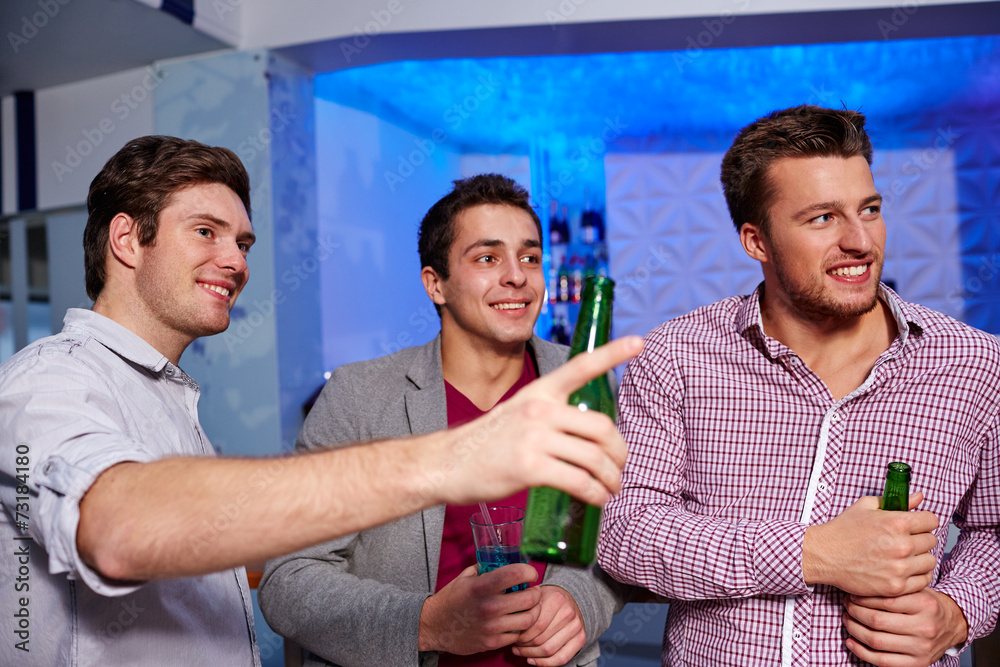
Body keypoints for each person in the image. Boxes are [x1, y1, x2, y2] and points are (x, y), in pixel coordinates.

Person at [0, 137, 642, 666]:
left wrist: (578, 602)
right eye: (206, 232)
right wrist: (450, 471)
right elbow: (120, 529)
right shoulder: (48, 382)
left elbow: (629, 537)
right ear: (126, 240)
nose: (235, 261)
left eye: (243, 243)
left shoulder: (165, 394)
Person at [598, 105, 999, 666]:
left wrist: (958, 612)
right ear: (756, 241)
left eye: (870, 209)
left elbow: (995, 532)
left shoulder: (975, 363)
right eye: (822, 219)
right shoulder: (676, 357)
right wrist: (814, 553)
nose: (860, 240)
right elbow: (625, 534)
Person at [259, 174, 630, 667]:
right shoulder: (360, 397)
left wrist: (580, 600)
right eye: (486, 258)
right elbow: (290, 578)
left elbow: (628, 536)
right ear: (436, 284)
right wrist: (426, 623)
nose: (517, 276)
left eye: (530, 257)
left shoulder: (584, 384)